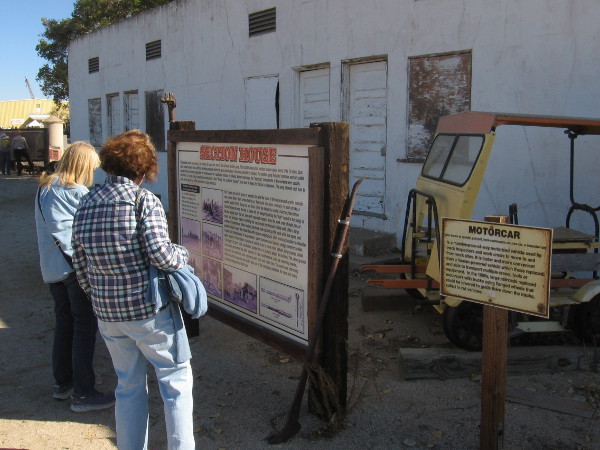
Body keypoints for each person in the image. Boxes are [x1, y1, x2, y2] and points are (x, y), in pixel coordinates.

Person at [71, 130, 195, 450]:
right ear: (145, 169)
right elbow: (161, 255)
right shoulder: (143, 201)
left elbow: (80, 264)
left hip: (109, 316)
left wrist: (99, 297)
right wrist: (183, 254)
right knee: (175, 384)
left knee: (127, 387)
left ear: (109, 163)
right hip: (149, 312)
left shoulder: (86, 203)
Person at [34, 141, 115, 412]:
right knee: (84, 329)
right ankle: (83, 393)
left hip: (53, 269)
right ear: (82, 165)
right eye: (91, 167)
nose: (93, 172)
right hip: (74, 271)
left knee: (64, 325)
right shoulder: (75, 191)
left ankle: (63, 384)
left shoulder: (45, 187)